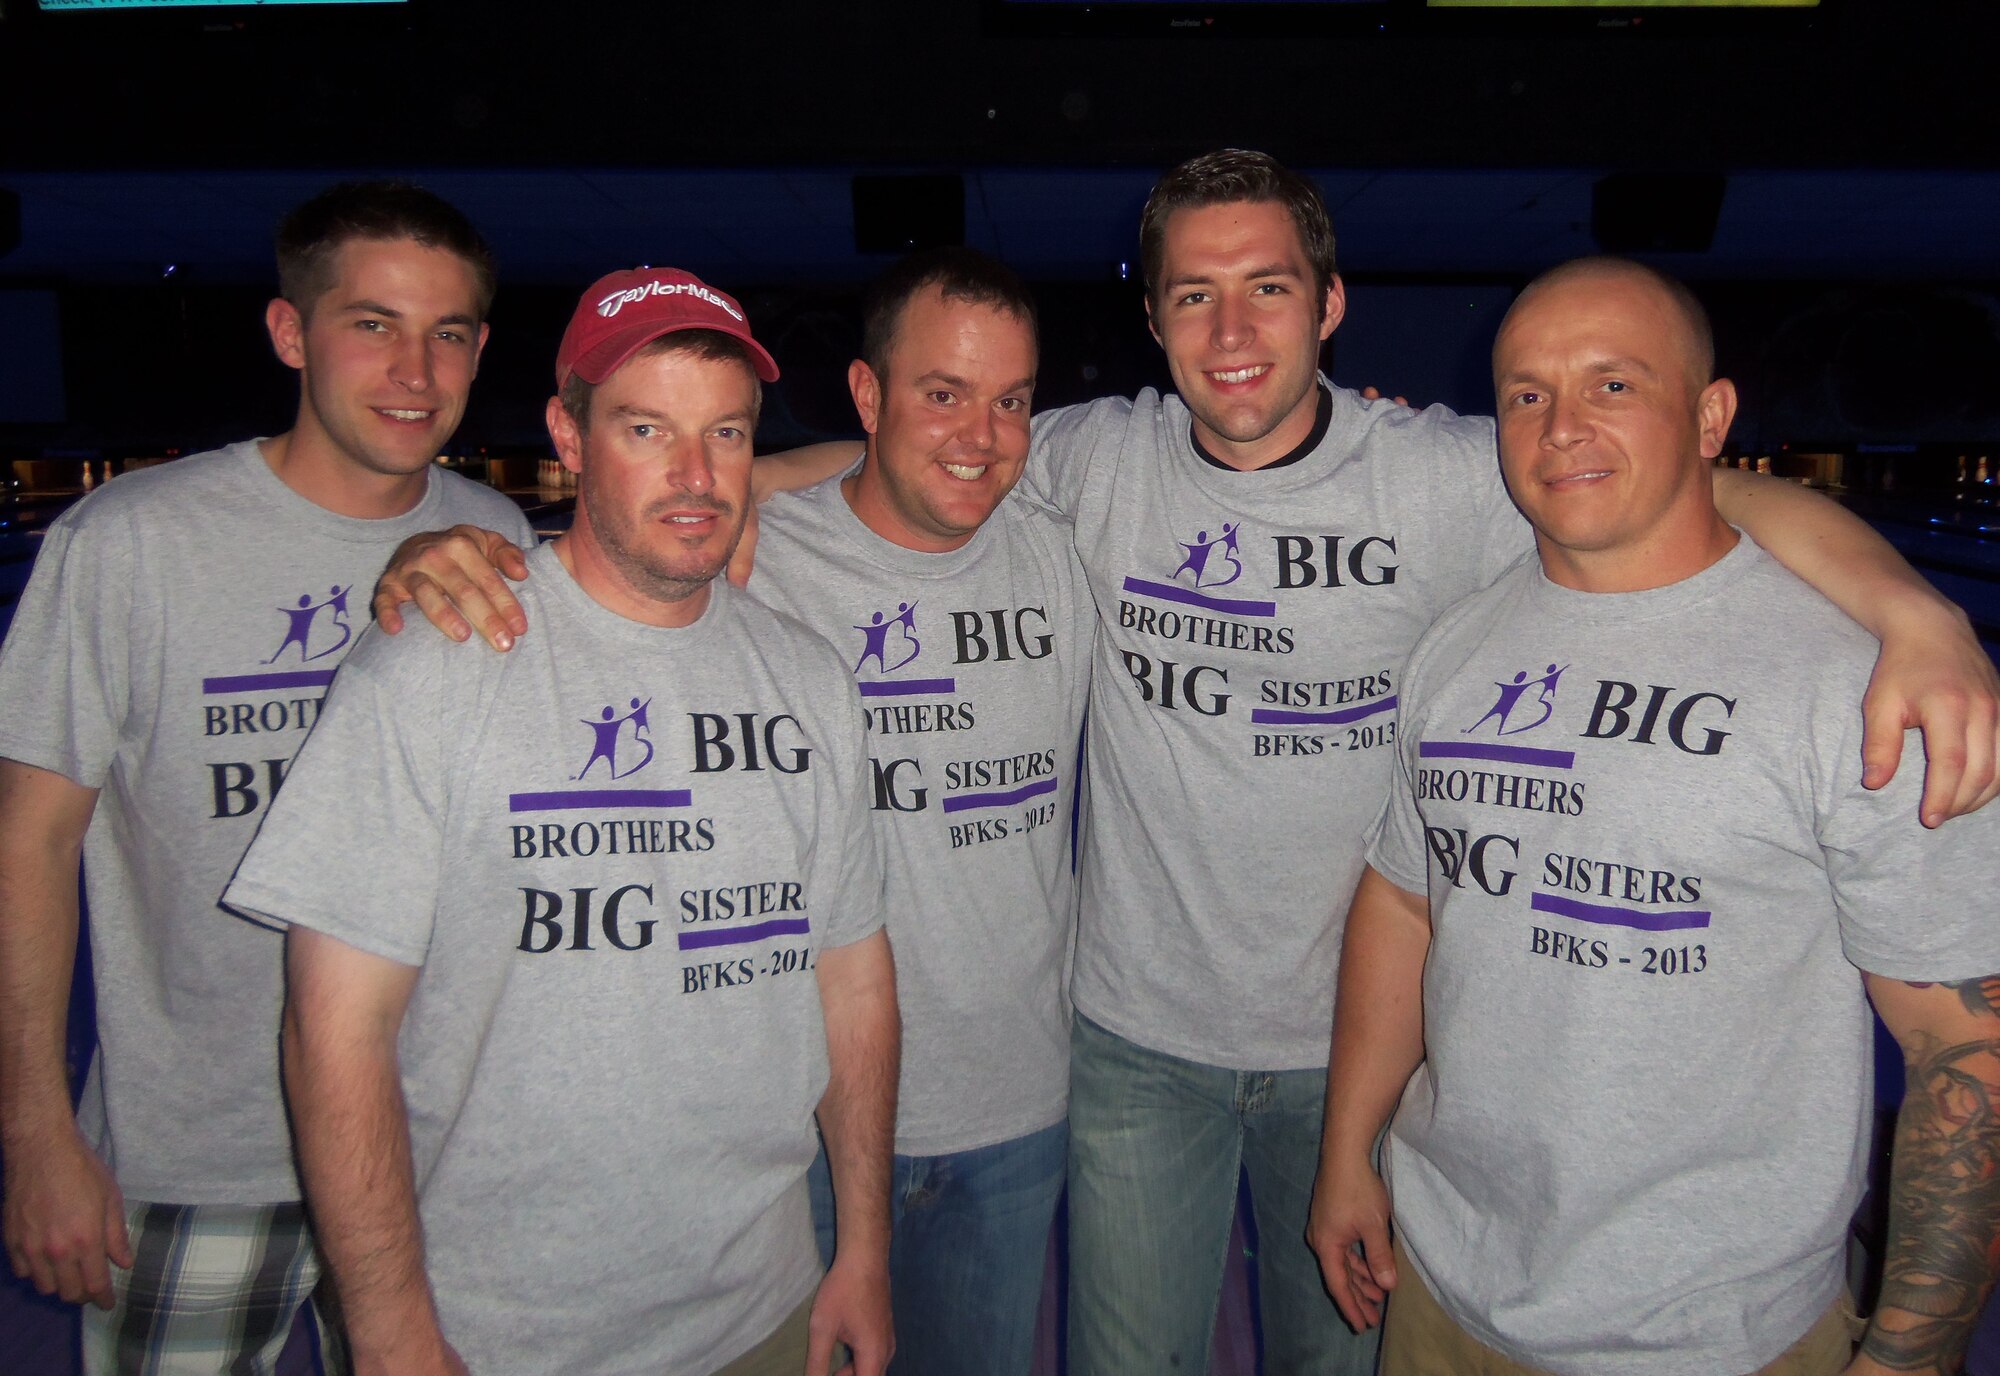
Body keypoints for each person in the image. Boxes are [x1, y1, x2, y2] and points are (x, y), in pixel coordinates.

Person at [370, 150, 2000, 1375]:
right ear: (1152, 323)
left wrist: (1907, 599)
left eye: (1270, 286)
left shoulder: (1454, 471)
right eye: (1194, 295)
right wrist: (504, 543)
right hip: (1132, 1040)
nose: (1232, 328)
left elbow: (1665, 492)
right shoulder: (1086, 462)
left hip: (1367, 1058)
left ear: (1330, 305)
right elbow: (883, 463)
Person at [1307, 256, 2000, 1376]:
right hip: (1444, 1290)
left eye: (1611, 385)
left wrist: (1909, 1358)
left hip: (1715, 1335)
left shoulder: (1858, 690)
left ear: (1710, 414)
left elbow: (1969, 1046)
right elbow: (1402, 898)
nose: (1560, 424)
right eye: (1526, 392)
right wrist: (1349, 1151)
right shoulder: (1454, 648)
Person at [222, 266, 899, 1376]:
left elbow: (853, 979)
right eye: (647, 427)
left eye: (724, 432)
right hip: (495, 1331)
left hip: (760, 1306)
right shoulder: (431, 665)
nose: (694, 474)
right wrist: (389, 1331)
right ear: (568, 435)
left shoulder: (808, 678)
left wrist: (863, 1245)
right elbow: (331, 1030)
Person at [0, 180, 532, 1373]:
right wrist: (34, 1130)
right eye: (371, 323)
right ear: (292, 333)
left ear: (480, 349)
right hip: (196, 1158)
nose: (414, 367)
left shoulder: (497, 532)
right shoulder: (129, 541)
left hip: (434, 1154)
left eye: (446, 332)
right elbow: (24, 842)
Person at [755, 248, 1089, 1375]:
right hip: (795, 1117)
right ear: (866, 396)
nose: (979, 434)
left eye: (1009, 402)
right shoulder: (756, 555)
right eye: (942, 393)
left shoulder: (1063, 552)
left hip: (1011, 1105)